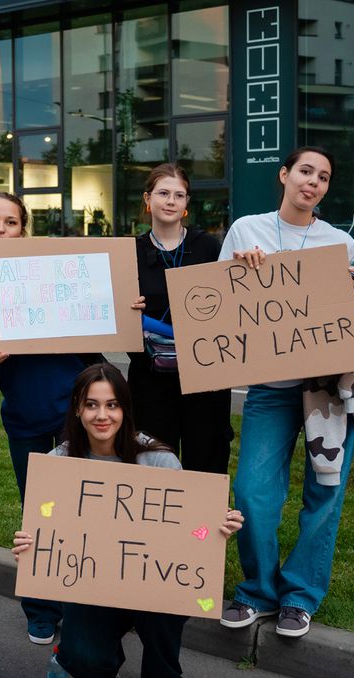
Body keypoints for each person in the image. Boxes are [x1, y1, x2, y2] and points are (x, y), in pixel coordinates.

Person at [12, 363, 244, 678]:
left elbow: (186, 539)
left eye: (112, 405)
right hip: (92, 586)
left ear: (126, 409)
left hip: (151, 586)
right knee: (85, 661)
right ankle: (105, 663)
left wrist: (217, 531)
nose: (102, 415)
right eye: (92, 405)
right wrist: (29, 547)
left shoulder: (159, 460)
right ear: (76, 409)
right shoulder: (58, 465)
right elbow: (50, 539)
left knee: (166, 603)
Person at [0, 191, 146, 646]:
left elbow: (108, 325)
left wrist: (126, 309)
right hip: (26, 418)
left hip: (80, 417)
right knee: (39, 514)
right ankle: (41, 609)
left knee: (86, 512)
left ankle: (84, 605)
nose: (1, 230)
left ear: (22, 229)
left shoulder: (61, 273)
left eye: (10, 222)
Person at [217, 145, 354, 638]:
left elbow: (348, 320)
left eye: (323, 177)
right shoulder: (247, 229)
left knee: (324, 490)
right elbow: (216, 301)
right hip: (272, 387)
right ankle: (258, 589)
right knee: (252, 491)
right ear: (284, 175)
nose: (313, 182)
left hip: (327, 388)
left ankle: (300, 595)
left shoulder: (339, 242)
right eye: (305, 171)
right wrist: (239, 269)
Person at [129, 162, 230, 473]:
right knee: (154, 460)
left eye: (179, 195)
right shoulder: (129, 252)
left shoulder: (209, 247)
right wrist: (127, 308)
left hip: (206, 375)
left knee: (207, 458)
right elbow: (116, 315)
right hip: (150, 380)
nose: (170, 201)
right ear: (148, 199)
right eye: (162, 193)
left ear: (187, 204)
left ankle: (204, 523)